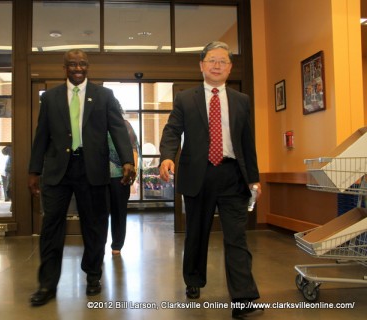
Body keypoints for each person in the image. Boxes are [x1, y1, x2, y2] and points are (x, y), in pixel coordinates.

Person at [159, 41, 263, 318]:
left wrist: (254, 179)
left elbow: (247, 143)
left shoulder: (242, 101)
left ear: (230, 68)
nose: (217, 65)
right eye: (212, 60)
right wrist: (167, 156)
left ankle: (243, 298)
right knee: (196, 233)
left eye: (223, 61)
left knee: (236, 238)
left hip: (233, 176)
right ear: (202, 65)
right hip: (198, 175)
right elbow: (172, 131)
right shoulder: (185, 98)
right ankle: (193, 280)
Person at [28, 49, 136, 307]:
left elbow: (118, 129)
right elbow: (41, 135)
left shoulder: (104, 95)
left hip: (92, 169)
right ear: (64, 67)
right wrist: (34, 171)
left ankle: (93, 275)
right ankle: (47, 284)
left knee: (95, 225)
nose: (78, 68)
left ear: (88, 67)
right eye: (72, 64)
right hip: (58, 170)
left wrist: (127, 161)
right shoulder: (51, 97)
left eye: (82, 64)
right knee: (51, 227)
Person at [108, 101, 139, 255]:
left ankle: (117, 245)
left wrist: (132, 174)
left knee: (119, 211)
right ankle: (97, 243)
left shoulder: (124, 125)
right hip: (98, 174)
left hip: (120, 175)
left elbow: (134, 148)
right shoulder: (96, 124)